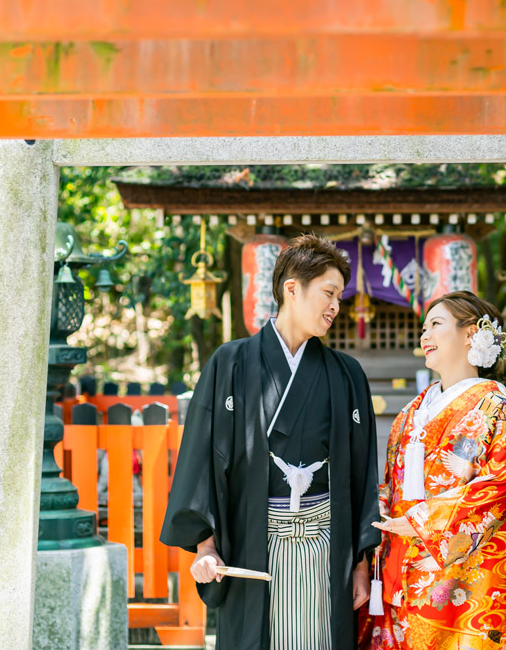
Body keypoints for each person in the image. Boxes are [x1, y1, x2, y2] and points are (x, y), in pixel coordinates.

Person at [161, 234, 381, 650]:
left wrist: (360, 562)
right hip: (252, 545)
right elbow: (202, 460)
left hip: (327, 547)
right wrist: (205, 545)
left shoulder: (347, 374)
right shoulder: (230, 362)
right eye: (329, 293)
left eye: (340, 296)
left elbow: (361, 470)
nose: (336, 306)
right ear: (291, 288)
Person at [370, 291, 506, 649]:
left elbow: (503, 484)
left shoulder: (492, 404)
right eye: (423, 328)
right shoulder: (411, 411)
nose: (424, 336)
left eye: (435, 324)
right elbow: (390, 484)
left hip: (461, 565)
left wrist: (424, 521)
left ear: (470, 334)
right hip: (403, 558)